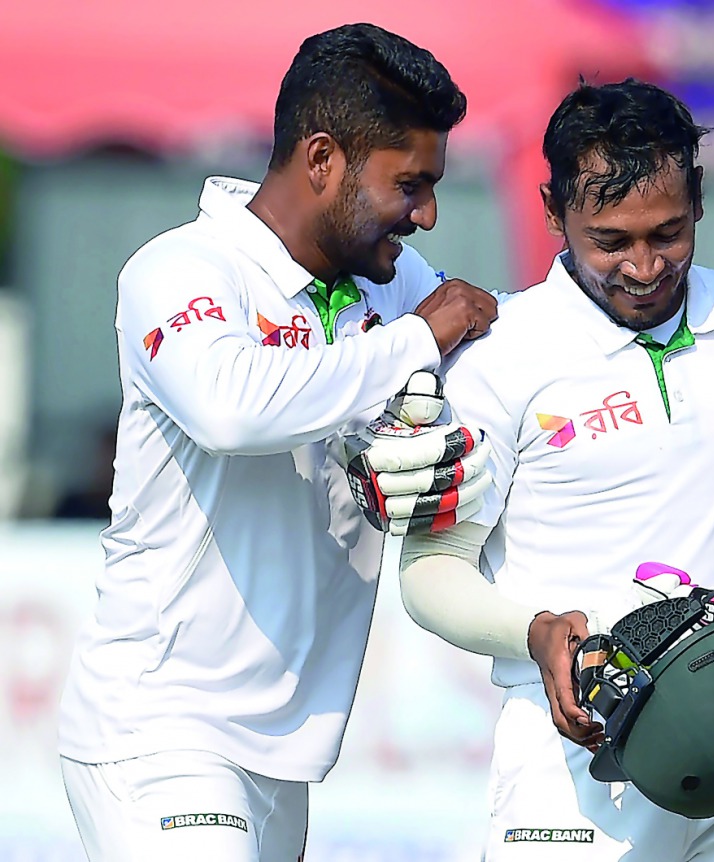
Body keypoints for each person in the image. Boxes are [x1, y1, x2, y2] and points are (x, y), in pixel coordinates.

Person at [377, 80, 714, 861]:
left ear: (696, 202)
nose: (646, 266)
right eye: (611, 242)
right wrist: (536, 634)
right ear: (554, 213)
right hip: (582, 754)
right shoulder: (499, 352)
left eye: (668, 232)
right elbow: (428, 574)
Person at [57, 23, 497, 862]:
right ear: (322, 158)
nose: (429, 215)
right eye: (410, 184)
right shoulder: (182, 270)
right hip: (160, 727)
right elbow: (230, 409)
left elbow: (502, 357)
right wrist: (412, 343)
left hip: (283, 755)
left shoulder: (392, 282)